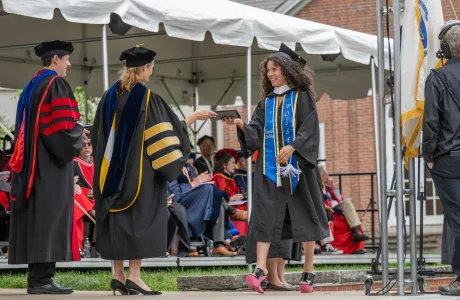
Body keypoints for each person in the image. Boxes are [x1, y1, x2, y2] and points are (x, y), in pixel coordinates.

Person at [92, 45, 216, 296]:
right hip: (140, 178)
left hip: (109, 177)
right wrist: (191, 120)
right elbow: (165, 135)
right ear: (146, 68)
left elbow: (97, 136)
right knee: (138, 221)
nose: (152, 70)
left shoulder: (108, 97)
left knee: (116, 221)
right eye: (151, 67)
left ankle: (117, 277)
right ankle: (134, 277)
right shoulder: (147, 98)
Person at [223, 43, 329, 294]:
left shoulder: (302, 97)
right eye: (268, 70)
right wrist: (240, 123)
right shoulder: (266, 103)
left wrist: (293, 147)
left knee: (304, 215)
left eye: (276, 69)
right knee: (265, 214)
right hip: (269, 170)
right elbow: (255, 133)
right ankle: (259, 268)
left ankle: (309, 269)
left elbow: (309, 128)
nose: (271, 74)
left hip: (299, 169)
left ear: (288, 71)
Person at [8, 40, 85, 294]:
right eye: (66, 60)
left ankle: (37, 277)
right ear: (55, 60)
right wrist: (79, 136)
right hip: (49, 167)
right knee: (48, 219)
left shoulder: (31, 86)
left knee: (38, 220)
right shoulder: (55, 84)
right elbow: (61, 130)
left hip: (30, 165)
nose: (69, 64)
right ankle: (42, 279)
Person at [422, 21, 460, 296]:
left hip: (448, 159)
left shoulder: (437, 77)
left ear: (445, 48)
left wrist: (429, 155)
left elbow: (431, 121)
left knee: (458, 220)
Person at [213, 150, 248, 236]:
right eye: (232, 163)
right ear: (224, 165)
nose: (235, 166)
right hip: (227, 207)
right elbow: (219, 196)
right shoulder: (219, 178)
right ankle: (238, 236)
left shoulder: (230, 178)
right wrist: (232, 198)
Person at [73, 137, 95, 256]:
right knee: (76, 195)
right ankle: (78, 245)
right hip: (82, 199)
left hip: (97, 198)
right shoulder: (73, 163)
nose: (86, 147)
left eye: (89, 144)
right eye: (83, 145)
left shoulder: (98, 162)